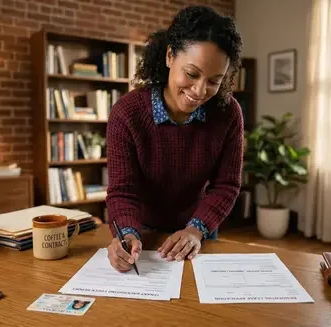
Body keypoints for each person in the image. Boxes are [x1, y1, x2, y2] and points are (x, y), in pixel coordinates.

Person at [105, 5, 244, 273]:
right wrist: (126, 233)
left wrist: (196, 229)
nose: (200, 91)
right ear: (170, 55)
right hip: (141, 231)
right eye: (191, 74)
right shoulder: (127, 113)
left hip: (197, 228)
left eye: (214, 80)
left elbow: (226, 185)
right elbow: (123, 190)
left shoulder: (228, 114)